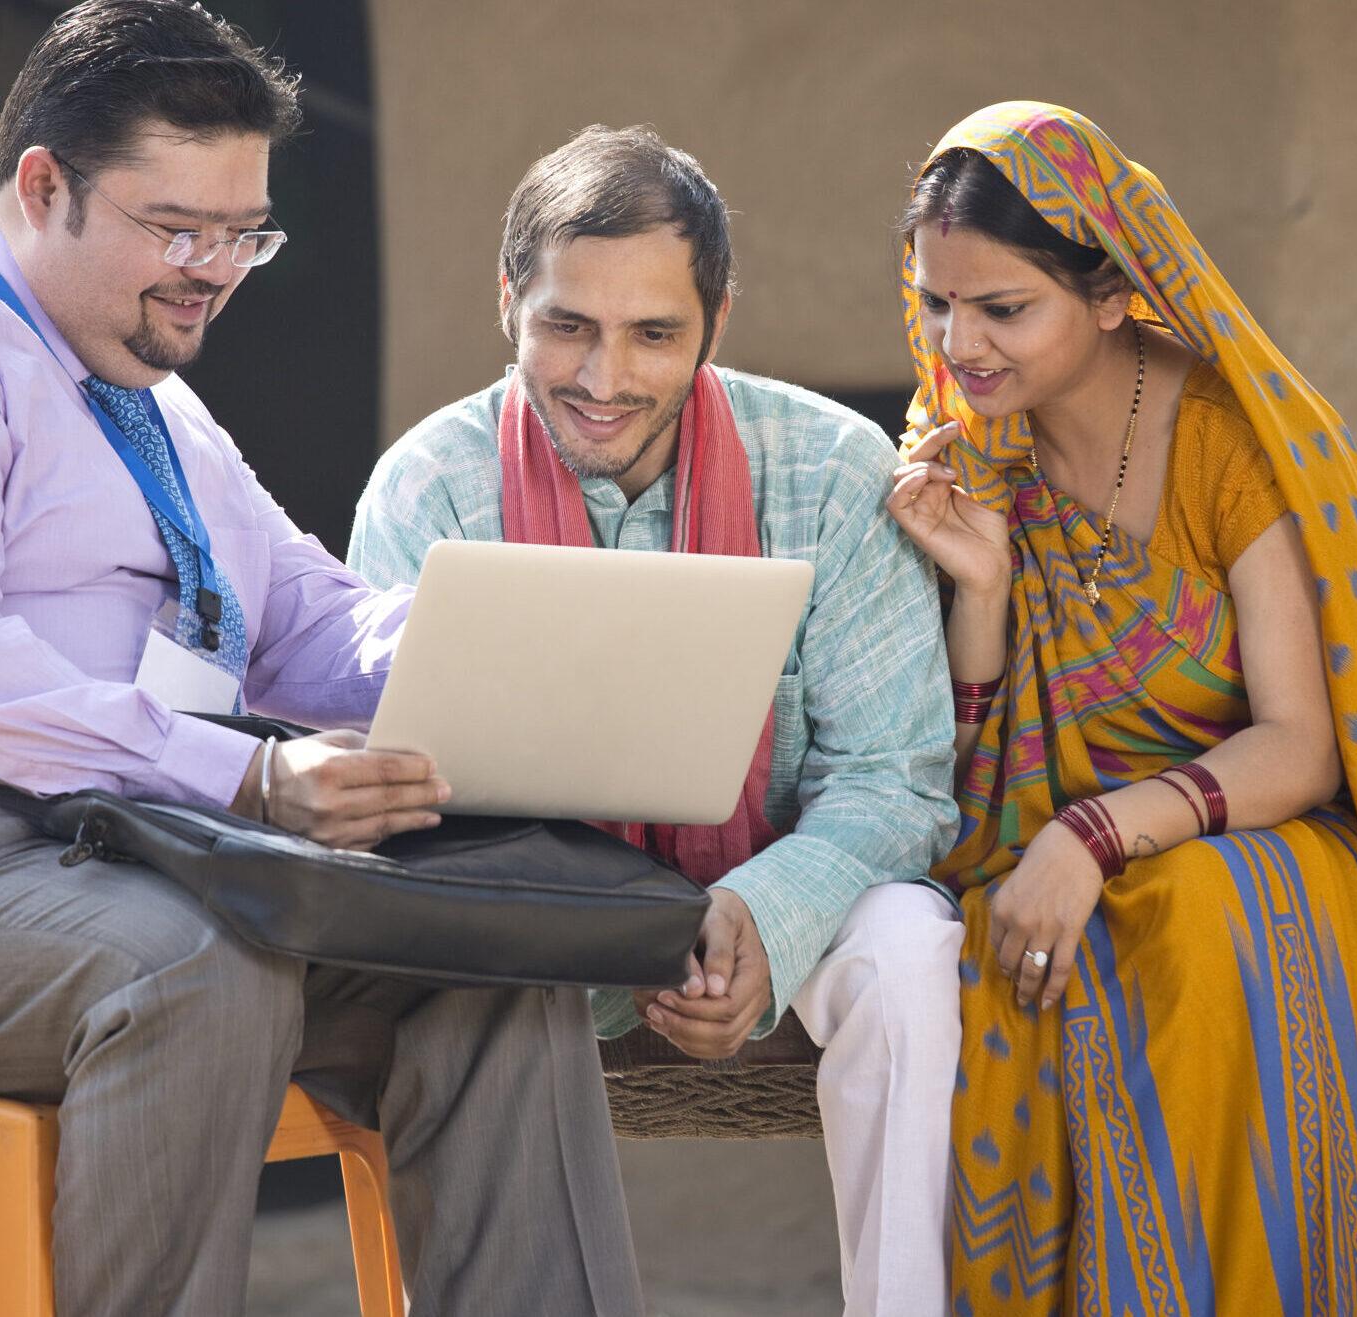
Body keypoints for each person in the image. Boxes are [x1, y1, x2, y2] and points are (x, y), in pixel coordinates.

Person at [0, 5, 645, 1312]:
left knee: (484, 961)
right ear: (42, 184)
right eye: (175, 228)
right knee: (181, 965)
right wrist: (248, 784)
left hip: (61, 868)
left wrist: (538, 662)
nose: (212, 269)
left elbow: (306, 625)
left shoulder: (150, 405)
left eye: (242, 235)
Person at [887, 101, 1357, 1314]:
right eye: (935, 301)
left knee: (1208, 923)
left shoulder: (1230, 442)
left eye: (1002, 309)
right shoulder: (956, 456)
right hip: (1028, 851)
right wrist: (984, 589)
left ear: (1110, 294)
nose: (959, 344)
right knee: (1020, 959)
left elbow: (1300, 743)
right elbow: (960, 773)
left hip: (1246, 833)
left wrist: (1092, 835)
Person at [349, 125, 963, 1315]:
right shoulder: (427, 488)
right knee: (438, 971)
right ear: (507, 302)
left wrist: (763, 916)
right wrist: (590, 921)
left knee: (904, 949)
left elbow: (895, 779)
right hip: (522, 940)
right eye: (565, 325)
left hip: (782, 905)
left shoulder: (831, 473)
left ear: (717, 322)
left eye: (654, 334)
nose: (603, 376)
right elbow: (396, 807)